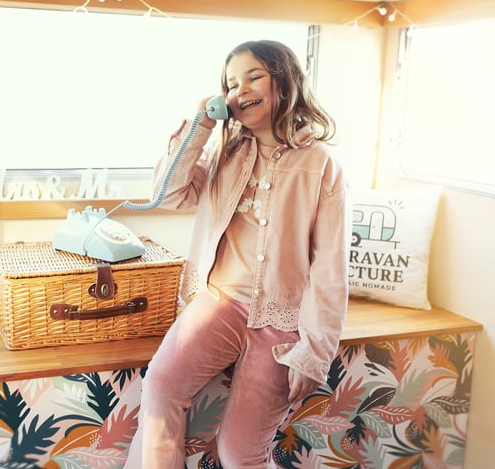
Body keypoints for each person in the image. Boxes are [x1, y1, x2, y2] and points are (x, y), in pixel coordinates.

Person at [123, 40, 350, 469]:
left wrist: (314, 352)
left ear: (284, 81)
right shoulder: (226, 152)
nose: (239, 89)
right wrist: (200, 126)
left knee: (239, 451)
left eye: (253, 77)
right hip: (218, 303)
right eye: (230, 84)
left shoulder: (321, 164)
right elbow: (167, 195)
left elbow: (330, 267)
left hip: (282, 319)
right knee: (160, 391)